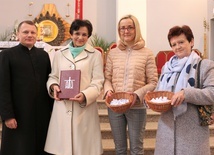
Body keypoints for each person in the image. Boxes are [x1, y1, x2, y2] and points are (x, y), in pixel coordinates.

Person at [44, 19, 104, 155]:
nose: (80, 37)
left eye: (84, 35)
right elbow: (53, 76)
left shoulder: (95, 55)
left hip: (83, 108)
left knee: (83, 149)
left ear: (88, 36)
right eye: (77, 33)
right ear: (71, 34)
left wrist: (85, 95)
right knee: (61, 149)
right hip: (62, 107)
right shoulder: (59, 54)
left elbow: (98, 81)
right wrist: (54, 86)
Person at [154, 25, 214, 155]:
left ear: (191, 42)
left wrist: (186, 93)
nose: (177, 47)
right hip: (166, 131)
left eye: (181, 42)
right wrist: (152, 97)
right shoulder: (167, 68)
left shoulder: (205, 65)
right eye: (173, 44)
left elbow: (212, 93)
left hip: (192, 132)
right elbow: (159, 90)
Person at [104, 14, 158, 155]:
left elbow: (153, 82)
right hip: (115, 106)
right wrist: (108, 91)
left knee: (136, 148)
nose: (126, 31)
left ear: (136, 29)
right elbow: (107, 78)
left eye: (129, 27)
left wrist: (137, 94)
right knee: (119, 149)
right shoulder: (113, 53)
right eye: (122, 28)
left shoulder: (147, 53)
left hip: (137, 107)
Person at [0, 20, 53, 155]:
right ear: (18, 34)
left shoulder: (43, 55)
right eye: (25, 32)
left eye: (32, 32)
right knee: (19, 149)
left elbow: (49, 82)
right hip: (18, 115)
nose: (29, 35)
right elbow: (3, 87)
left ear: (37, 35)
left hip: (41, 114)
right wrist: (7, 116)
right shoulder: (7, 55)